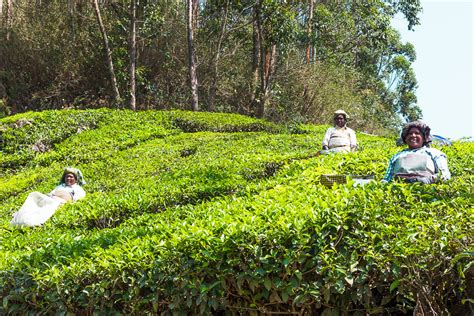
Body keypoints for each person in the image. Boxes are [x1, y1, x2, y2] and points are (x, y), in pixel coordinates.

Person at [10, 167, 86, 227]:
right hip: (51, 200)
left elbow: (77, 199)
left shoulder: (77, 188)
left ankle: (35, 223)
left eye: (71, 177)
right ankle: (21, 217)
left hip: (61, 203)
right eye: (67, 177)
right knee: (34, 195)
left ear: (76, 180)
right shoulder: (60, 186)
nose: (68, 178)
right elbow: (51, 194)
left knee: (46, 210)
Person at [382, 121, 451, 184]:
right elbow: (387, 178)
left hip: (424, 189)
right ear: (405, 138)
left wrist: (428, 180)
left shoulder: (434, 153)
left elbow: (444, 175)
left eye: (417, 133)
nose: (413, 135)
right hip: (398, 189)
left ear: (424, 138)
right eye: (409, 133)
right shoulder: (397, 156)